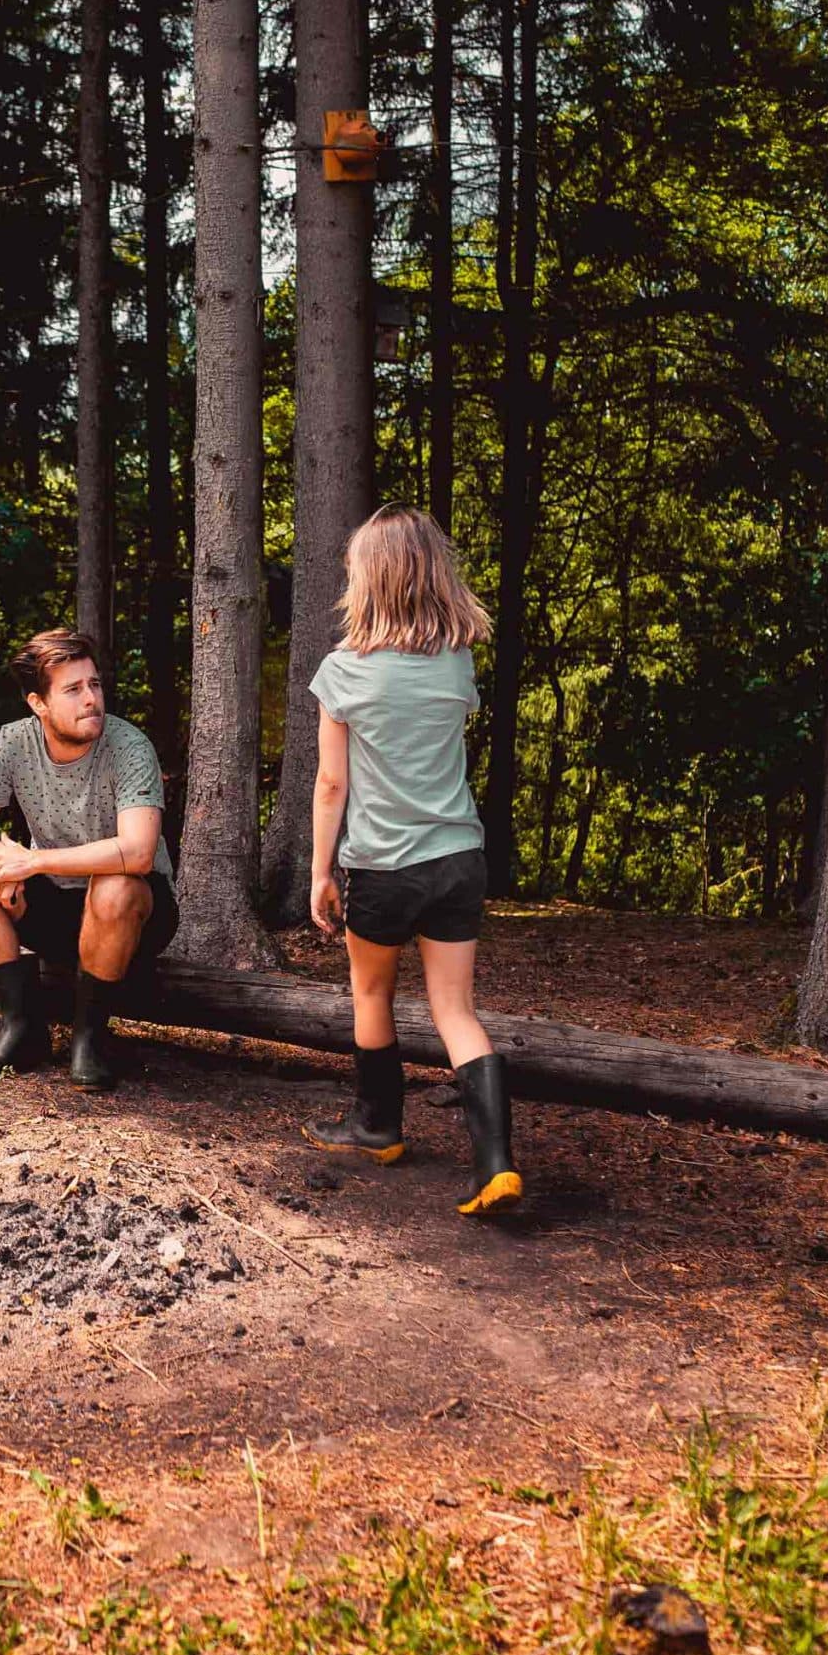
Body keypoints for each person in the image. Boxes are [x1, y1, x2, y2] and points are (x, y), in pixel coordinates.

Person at [302, 505, 520, 1216]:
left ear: (370, 579)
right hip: (458, 859)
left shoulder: (344, 671)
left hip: (383, 867)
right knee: (456, 1009)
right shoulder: (458, 662)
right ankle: (495, 1166)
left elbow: (332, 782)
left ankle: (378, 1127)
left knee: (372, 996)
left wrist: (320, 871)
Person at [0, 629, 177, 1091]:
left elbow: (137, 850)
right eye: (73, 689)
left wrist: (32, 862)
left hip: (134, 913)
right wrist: (3, 860)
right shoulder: (13, 743)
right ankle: (23, 1028)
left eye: (94, 684)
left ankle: (90, 1039)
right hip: (52, 906)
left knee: (116, 881)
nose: (91, 699)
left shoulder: (128, 746)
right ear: (38, 703)